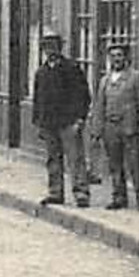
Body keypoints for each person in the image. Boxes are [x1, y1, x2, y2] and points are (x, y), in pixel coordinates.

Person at [93, 39, 139, 211]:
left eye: (119, 55)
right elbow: (99, 106)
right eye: (112, 56)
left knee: (135, 165)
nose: (116, 59)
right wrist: (97, 131)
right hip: (110, 128)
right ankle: (118, 197)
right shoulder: (105, 80)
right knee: (115, 165)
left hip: (130, 129)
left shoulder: (135, 77)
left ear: (126, 57)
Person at [33, 31, 90, 208]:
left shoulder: (71, 69)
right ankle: (55, 192)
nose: (50, 50)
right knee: (52, 159)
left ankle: (81, 193)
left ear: (60, 48)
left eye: (53, 46)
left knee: (75, 159)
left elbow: (83, 96)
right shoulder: (41, 72)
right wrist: (38, 122)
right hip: (49, 124)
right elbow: (38, 99)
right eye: (46, 47)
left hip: (68, 123)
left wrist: (79, 119)